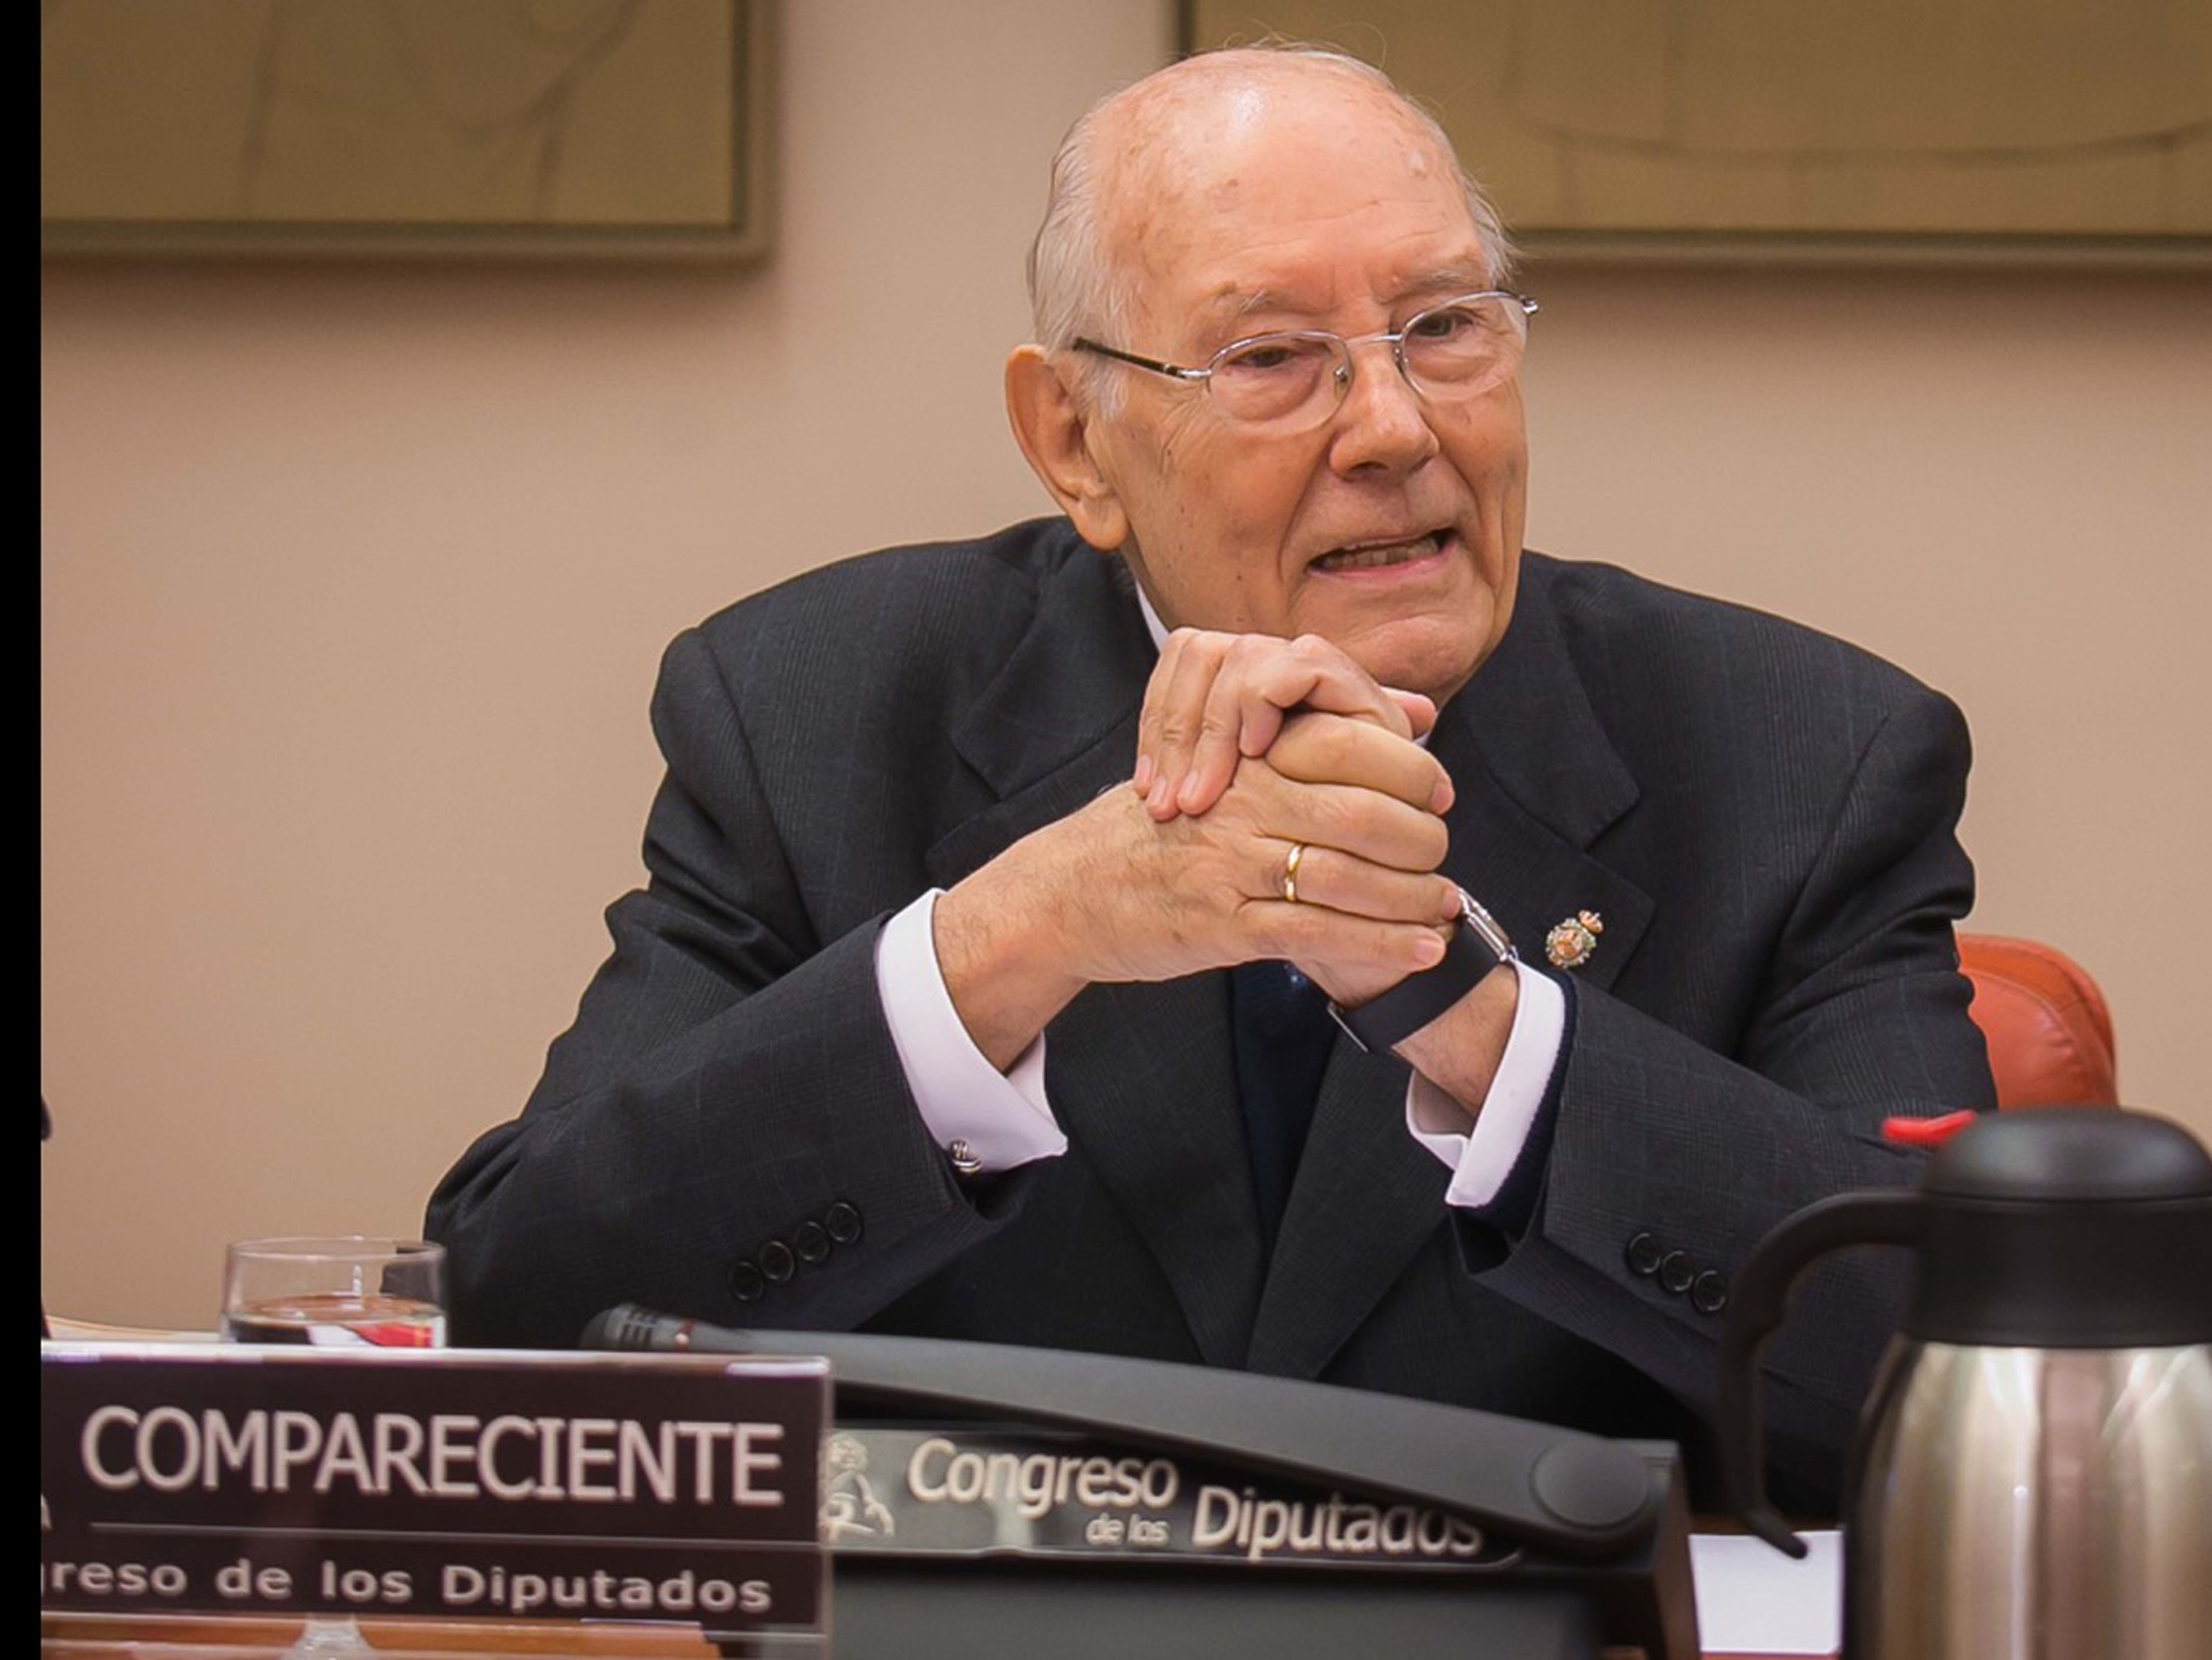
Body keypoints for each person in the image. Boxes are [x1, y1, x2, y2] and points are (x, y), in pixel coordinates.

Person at [427, 45, 1993, 1505]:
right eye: (1273, 357)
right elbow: (533, 1323)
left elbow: (1954, 1396)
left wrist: (1468, 1015)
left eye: (1446, 326)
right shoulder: (819, 712)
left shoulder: (1805, 757)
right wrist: (1008, 941)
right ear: (1076, 442)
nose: (1391, 427)